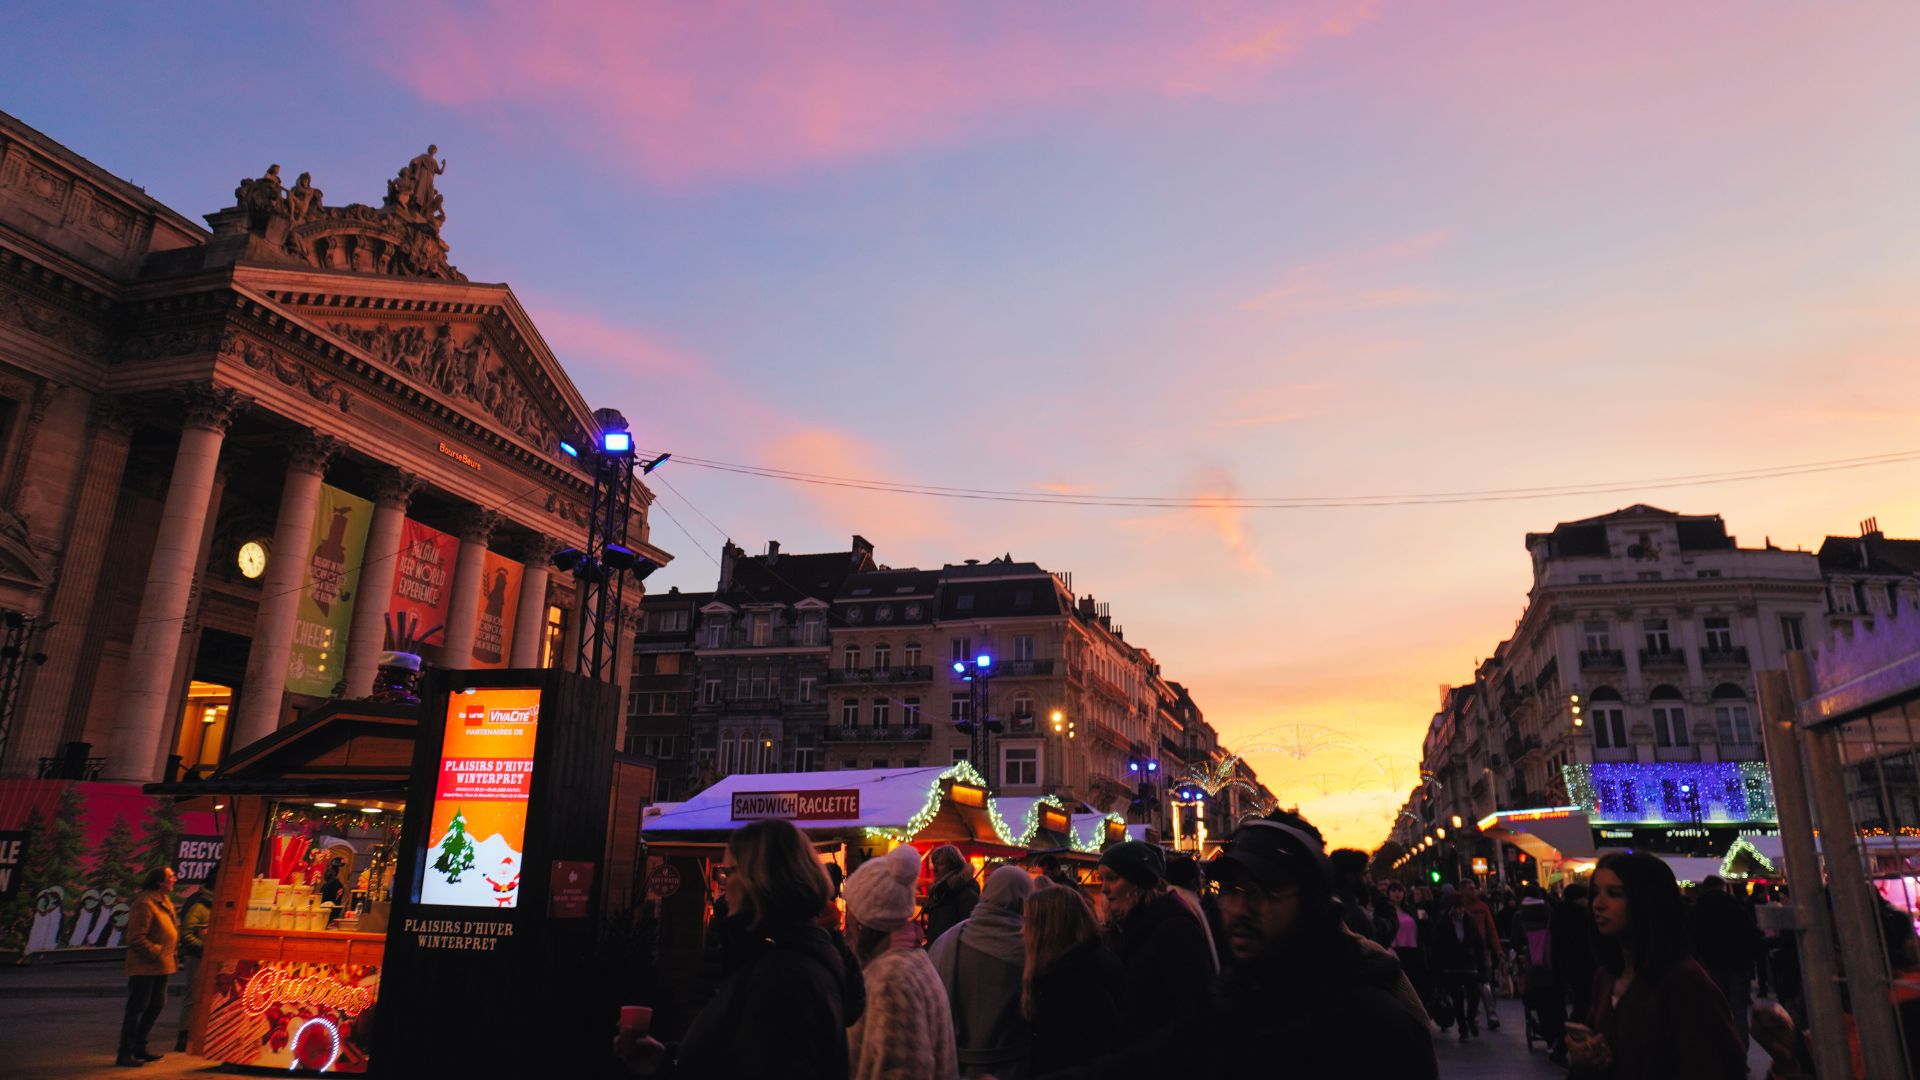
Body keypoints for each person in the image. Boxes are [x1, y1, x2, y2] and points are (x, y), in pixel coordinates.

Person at [616, 819, 856, 1078]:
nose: (724, 883)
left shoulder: (781, 976)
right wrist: (670, 1063)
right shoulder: (784, 956)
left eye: (730, 872)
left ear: (759, 881)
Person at [1566, 852, 1745, 1079]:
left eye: (1614, 894)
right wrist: (1584, 1057)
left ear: (1646, 900)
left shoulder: (1684, 980)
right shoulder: (1606, 978)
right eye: (1596, 893)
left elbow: (1710, 1064)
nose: (1598, 904)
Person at [844, 845, 958, 1080]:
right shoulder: (909, 960)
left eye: (851, 912)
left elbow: (903, 1070)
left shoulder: (891, 979)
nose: (848, 928)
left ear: (865, 922)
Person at [1096, 840, 1217, 1040]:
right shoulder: (1128, 927)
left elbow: (1193, 1014)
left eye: (1112, 878)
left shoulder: (1174, 928)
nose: (1104, 889)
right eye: (1102, 879)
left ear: (1138, 882)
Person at [930, 865, 1033, 1079]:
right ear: (1025, 900)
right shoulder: (1031, 949)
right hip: (1013, 1069)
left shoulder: (945, 941)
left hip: (951, 1066)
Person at [1022, 887, 1124, 1075]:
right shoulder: (1087, 967)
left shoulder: (1074, 988)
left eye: (1028, 922)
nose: (1022, 931)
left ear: (1048, 930)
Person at [1689, 875, 1759, 1048]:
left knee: (1715, 1010)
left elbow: (1691, 939)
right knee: (1739, 1012)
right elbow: (1752, 937)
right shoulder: (1736, 908)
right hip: (1738, 965)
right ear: (1722, 887)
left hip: (1710, 966)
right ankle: (1741, 1052)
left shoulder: (1696, 910)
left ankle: (1719, 1051)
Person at [119, 866, 178, 1068]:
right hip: (145, 967)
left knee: (156, 1005)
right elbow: (135, 938)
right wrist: (157, 952)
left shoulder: (164, 901)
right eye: (171, 877)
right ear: (159, 882)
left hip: (162, 966)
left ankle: (139, 1047)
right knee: (137, 1008)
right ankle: (125, 1052)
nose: (175, 879)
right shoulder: (145, 903)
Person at [1430, 891, 1488, 1040]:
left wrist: (1483, 968)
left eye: (1460, 907)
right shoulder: (1443, 923)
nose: (1458, 911)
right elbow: (1437, 947)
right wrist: (1438, 971)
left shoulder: (1469, 921)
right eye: (1455, 907)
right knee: (1457, 999)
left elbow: (1478, 945)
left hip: (1470, 965)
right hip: (1451, 966)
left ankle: (1470, 1018)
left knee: (1474, 996)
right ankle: (1463, 1028)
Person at [1514, 885, 1564, 1056]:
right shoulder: (1549, 911)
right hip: (1552, 963)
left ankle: (1546, 1033)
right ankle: (1558, 1035)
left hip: (1531, 965)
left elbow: (1515, 940)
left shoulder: (1520, 915)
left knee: (1538, 1000)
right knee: (1554, 1000)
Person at [1458, 882, 1504, 1030]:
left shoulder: (1482, 907)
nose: (1474, 891)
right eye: (1470, 889)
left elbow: (1491, 929)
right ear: (1463, 890)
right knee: (1471, 985)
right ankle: (1475, 1014)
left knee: (1485, 983)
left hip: (1483, 950)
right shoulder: (1460, 907)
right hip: (1466, 951)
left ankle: (1491, 1014)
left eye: (1474, 888)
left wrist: (1497, 949)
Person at [173, 886, 213, 1052]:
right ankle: (184, 1036)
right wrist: (206, 947)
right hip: (196, 956)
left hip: (204, 955)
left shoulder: (210, 905)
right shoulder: (200, 906)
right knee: (193, 995)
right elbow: (187, 933)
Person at [1163, 854, 1220, 970]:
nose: (1202, 881)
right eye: (1199, 877)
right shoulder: (1186, 909)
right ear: (1193, 881)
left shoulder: (1170, 901)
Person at [923, 845, 980, 943]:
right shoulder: (940, 893)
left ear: (954, 865)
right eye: (934, 864)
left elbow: (969, 934)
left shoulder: (966, 894)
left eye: (940, 864)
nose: (935, 869)